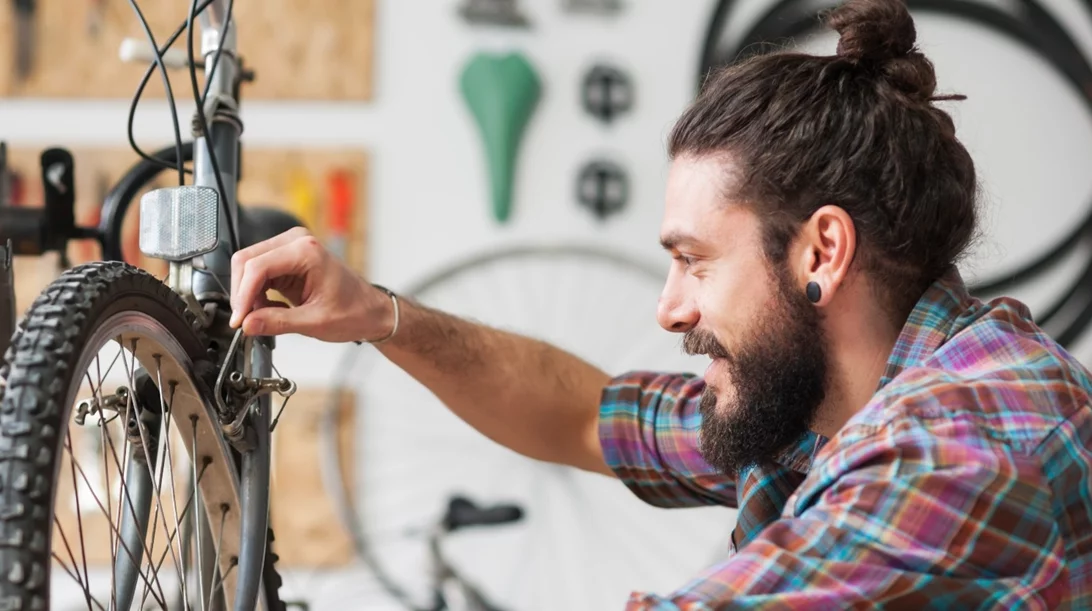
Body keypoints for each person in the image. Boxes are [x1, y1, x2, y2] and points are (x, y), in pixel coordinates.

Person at [228, 0, 1092, 607]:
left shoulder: (965, 450)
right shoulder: (824, 396)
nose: (669, 308)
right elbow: (582, 416)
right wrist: (380, 314)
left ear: (820, 252)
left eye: (694, 262)